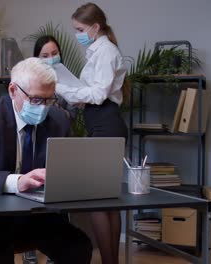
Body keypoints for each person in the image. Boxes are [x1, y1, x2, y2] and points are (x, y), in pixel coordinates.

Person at [0, 57, 92, 264]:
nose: (43, 108)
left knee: (79, 247)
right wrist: (16, 181)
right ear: (13, 90)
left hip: (36, 216)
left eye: (49, 100)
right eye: (36, 100)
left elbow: (67, 169)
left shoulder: (58, 119)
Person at [55, 3, 129, 264]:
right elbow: (94, 91)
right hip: (102, 123)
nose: (77, 34)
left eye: (80, 29)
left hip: (106, 125)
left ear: (95, 27)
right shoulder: (98, 50)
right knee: (106, 200)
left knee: (99, 200)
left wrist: (64, 89)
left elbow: (97, 95)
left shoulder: (106, 51)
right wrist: (75, 92)